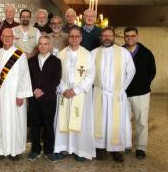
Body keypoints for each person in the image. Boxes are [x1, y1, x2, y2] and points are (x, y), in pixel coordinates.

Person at [91, 27, 136, 162]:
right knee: (100, 122)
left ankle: (116, 150)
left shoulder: (123, 53)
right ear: (101, 37)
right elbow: (89, 73)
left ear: (114, 37)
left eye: (109, 35)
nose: (107, 38)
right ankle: (100, 148)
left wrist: (122, 88)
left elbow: (131, 71)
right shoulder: (94, 53)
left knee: (116, 124)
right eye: (104, 35)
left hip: (117, 95)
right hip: (99, 93)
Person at [54, 27, 95, 161]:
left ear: (81, 38)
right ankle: (63, 148)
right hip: (64, 93)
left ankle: (79, 150)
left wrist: (76, 90)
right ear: (68, 38)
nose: (74, 39)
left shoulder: (87, 55)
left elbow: (90, 75)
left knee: (80, 123)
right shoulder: (61, 54)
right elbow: (56, 74)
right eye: (72, 36)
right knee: (63, 120)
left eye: (77, 36)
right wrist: (64, 89)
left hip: (80, 95)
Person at [0, 28, 33, 160]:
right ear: (1, 38)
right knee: (0, 121)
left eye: (9, 36)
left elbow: (24, 75)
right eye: (4, 36)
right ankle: (0, 149)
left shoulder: (19, 54)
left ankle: (15, 151)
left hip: (15, 96)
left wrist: (21, 94)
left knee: (16, 122)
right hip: (1, 95)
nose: (7, 38)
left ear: (14, 38)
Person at [123, 27, 156, 159]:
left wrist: (143, 84)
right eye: (127, 36)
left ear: (137, 36)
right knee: (125, 121)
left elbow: (152, 71)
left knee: (141, 121)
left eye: (132, 36)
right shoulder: (120, 51)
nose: (130, 38)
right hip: (124, 93)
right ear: (124, 37)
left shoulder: (146, 53)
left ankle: (141, 148)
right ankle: (126, 145)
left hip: (141, 93)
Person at [27, 35, 61, 161]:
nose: (42, 46)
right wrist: (35, 89)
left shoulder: (56, 61)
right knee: (34, 124)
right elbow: (28, 78)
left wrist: (43, 90)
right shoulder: (31, 61)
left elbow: (56, 79)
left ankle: (49, 150)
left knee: (48, 125)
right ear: (38, 45)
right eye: (40, 44)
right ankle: (35, 149)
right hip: (34, 98)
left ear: (50, 45)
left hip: (49, 98)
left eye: (45, 44)